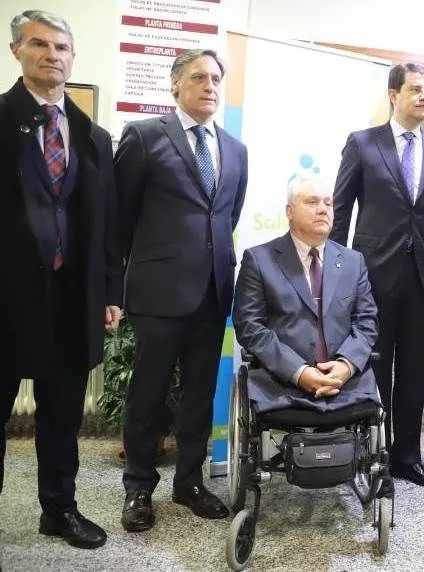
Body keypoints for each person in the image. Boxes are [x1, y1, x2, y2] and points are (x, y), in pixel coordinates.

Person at [0, 10, 122, 549]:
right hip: (5, 299)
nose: (52, 55)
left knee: (62, 414)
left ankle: (60, 509)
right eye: (39, 45)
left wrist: (110, 293)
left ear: (73, 58)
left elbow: (108, 226)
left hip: (72, 299)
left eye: (62, 48)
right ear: (17, 52)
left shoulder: (93, 135)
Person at [116, 48, 248, 531]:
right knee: (147, 392)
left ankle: (189, 482)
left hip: (213, 292)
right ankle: (137, 488)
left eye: (216, 77)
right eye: (198, 77)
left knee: (198, 393)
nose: (209, 86)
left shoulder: (235, 149)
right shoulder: (145, 136)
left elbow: (226, 217)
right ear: (176, 85)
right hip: (157, 292)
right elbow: (122, 218)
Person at [331, 63, 424, 488]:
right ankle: (374, 457)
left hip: (423, 280)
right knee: (374, 369)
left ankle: (407, 456)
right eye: (415, 90)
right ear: (393, 94)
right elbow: (341, 211)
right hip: (372, 277)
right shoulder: (363, 144)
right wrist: (337, 271)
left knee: (415, 371)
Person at [233, 177, 379, 413]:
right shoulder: (259, 261)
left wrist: (346, 365)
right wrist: (298, 372)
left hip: (345, 384)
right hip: (281, 383)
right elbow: (250, 327)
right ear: (290, 211)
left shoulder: (354, 262)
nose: (323, 209)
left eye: (328, 203)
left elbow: (367, 321)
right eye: (312, 202)